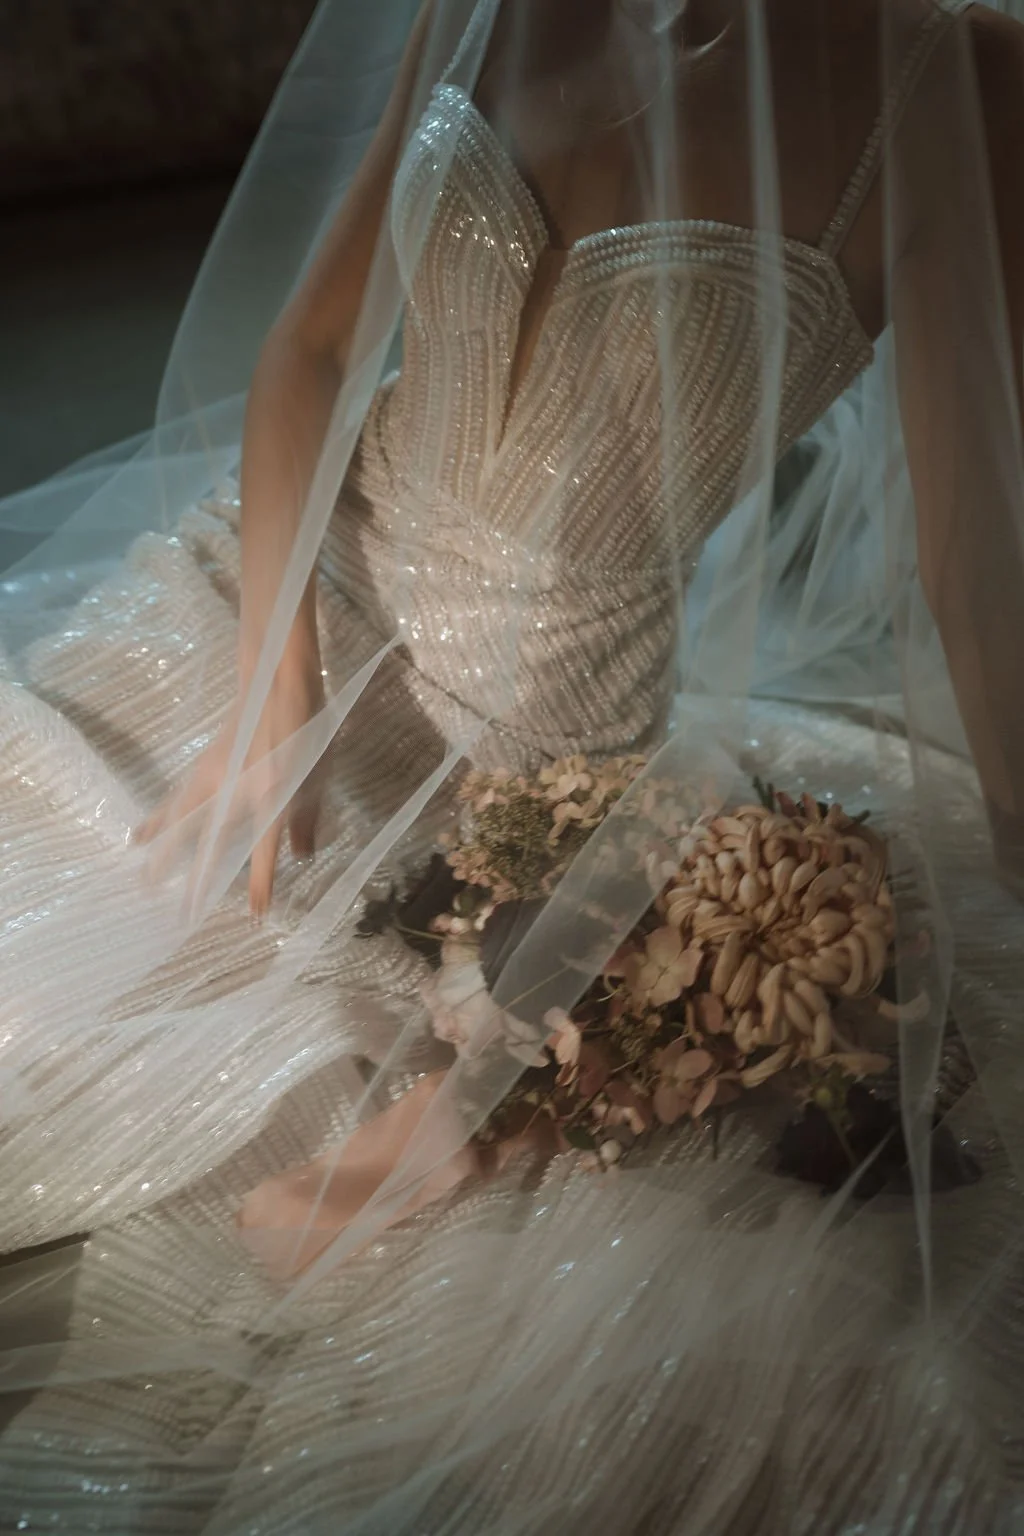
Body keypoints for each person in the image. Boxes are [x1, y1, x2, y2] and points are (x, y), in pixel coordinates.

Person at [0, 1, 1022, 1530]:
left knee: (430, 1127)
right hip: (291, 590)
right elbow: (313, 348)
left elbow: (971, 554)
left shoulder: (954, 80)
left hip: (544, 748)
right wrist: (269, 705)